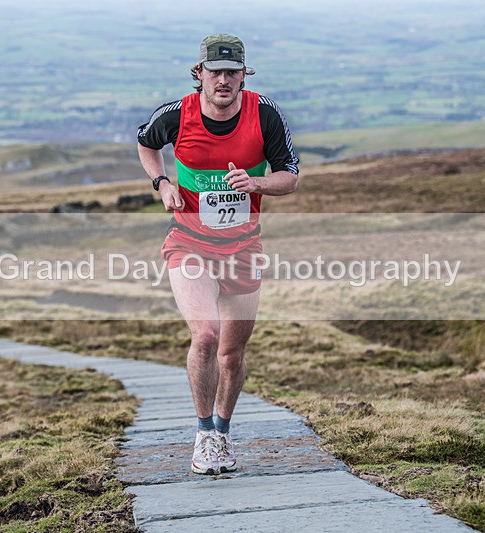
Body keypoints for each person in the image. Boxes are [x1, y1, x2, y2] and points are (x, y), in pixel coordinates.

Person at [137, 34, 299, 475]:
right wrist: (162, 183)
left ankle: (223, 432)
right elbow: (146, 145)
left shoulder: (265, 115)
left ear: (244, 75)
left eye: (232, 72)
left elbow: (291, 176)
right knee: (205, 336)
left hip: (244, 249)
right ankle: (204, 434)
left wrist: (257, 183)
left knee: (231, 353)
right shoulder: (175, 115)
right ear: (199, 74)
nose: (223, 80)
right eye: (215, 72)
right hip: (189, 243)